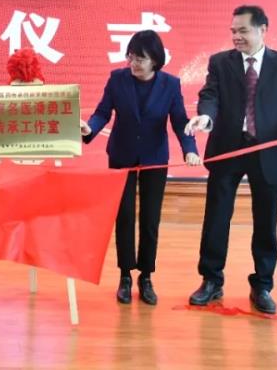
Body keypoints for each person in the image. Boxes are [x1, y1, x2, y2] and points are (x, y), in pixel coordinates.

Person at [184, 5, 277, 314]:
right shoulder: (220, 62)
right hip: (228, 150)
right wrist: (205, 117)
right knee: (216, 218)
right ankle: (211, 280)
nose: (236, 36)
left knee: (266, 222)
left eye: (243, 31)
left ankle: (262, 284)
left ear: (263, 30)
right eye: (233, 31)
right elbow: (210, 96)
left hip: (268, 152)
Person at [80, 30, 201, 305]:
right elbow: (102, 112)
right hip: (121, 156)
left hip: (154, 158)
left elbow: (180, 121)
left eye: (140, 58)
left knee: (150, 218)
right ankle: (125, 275)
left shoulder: (170, 85)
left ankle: (146, 276)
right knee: (123, 217)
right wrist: (90, 129)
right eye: (131, 57)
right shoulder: (117, 79)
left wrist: (190, 150)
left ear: (155, 60)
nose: (133, 63)